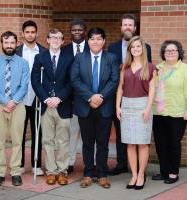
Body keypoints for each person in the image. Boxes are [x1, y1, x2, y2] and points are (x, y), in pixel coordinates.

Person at [70, 27, 119, 189]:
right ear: (88, 41)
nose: (95, 41)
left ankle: (102, 174)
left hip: (104, 107)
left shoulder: (111, 58)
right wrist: (91, 96)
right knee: (88, 143)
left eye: (99, 38)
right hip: (85, 106)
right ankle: (88, 173)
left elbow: (114, 80)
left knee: (103, 143)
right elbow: (75, 80)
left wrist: (100, 97)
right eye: (92, 38)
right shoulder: (79, 58)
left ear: (104, 41)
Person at [108, 13, 152, 175]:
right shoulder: (112, 48)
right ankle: (122, 164)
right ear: (121, 27)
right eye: (124, 24)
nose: (127, 27)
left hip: (140, 99)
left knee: (141, 136)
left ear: (135, 28)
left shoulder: (145, 47)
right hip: (120, 99)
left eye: (130, 25)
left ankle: (140, 169)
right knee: (122, 133)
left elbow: (148, 74)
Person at [152, 40, 187, 184]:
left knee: (173, 143)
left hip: (177, 113)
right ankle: (164, 171)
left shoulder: (186, 69)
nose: (170, 53)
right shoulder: (158, 68)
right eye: (167, 51)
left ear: (179, 53)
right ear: (163, 53)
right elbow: (152, 88)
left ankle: (173, 172)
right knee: (160, 143)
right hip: (158, 112)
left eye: (174, 50)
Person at [31, 28, 73, 185]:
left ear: (63, 41)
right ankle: (51, 171)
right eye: (52, 38)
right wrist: (47, 98)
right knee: (47, 140)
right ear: (47, 40)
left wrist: (59, 98)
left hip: (63, 105)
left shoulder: (69, 58)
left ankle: (62, 171)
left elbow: (71, 81)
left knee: (63, 140)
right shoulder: (39, 58)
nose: (55, 40)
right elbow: (35, 80)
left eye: (59, 38)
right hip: (46, 105)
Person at [0, 31, 29, 187]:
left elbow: (24, 85)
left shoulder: (23, 63)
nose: (9, 46)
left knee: (17, 141)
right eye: (6, 43)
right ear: (2, 43)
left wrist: (13, 102)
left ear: (16, 44)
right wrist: (6, 102)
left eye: (12, 43)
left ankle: (15, 173)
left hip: (18, 105)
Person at [116, 36, 156, 190]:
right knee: (130, 143)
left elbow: (152, 89)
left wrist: (147, 109)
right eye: (133, 47)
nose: (136, 49)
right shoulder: (124, 67)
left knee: (142, 142)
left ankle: (141, 175)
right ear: (129, 50)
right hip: (126, 105)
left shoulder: (151, 67)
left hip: (142, 105)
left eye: (138, 46)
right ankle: (133, 174)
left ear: (143, 48)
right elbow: (120, 87)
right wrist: (118, 107)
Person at [15, 20, 47, 176]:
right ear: (23, 33)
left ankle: (36, 164)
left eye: (32, 32)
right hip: (20, 99)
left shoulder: (43, 52)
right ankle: (20, 164)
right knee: (19, 132)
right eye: (27, 32)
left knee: (37, 132)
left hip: (37, 98)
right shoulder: (16, 52)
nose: (30, 34)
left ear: (36, 33)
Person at [62, 19, 90, 174]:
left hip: (88, 100)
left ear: (85, 31)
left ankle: (90, 164)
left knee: (88, 135)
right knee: (71, 133)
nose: (77, 32)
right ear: (70, 31)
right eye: (74, 30)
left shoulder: (91, 48)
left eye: (80, 29)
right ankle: (69, 162)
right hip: (70, 100)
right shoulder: (64, 50)